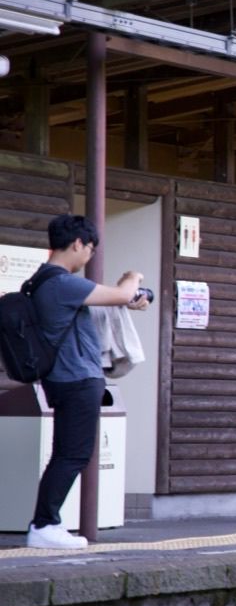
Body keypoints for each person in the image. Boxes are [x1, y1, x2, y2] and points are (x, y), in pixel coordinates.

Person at [26, 215, 150, 549]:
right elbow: (123, 293)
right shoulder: (61, 282)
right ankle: (44, 524)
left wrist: (128, 297)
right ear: (77, 243)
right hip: (76, 378)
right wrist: (133, 276)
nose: (89, 257)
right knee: (73, 454)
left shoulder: (43, 281)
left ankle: (46, 524)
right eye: (90, 249)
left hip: (66, 378)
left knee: (68, 453)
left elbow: (115, 301)